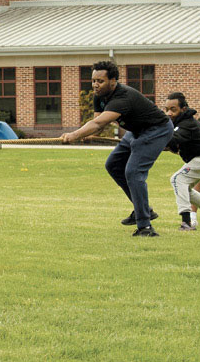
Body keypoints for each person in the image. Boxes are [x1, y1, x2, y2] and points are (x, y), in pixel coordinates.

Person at [61, 60, 173, 236]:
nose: (96, 85)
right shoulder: (100, 95)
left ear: (113, 81)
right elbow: (98, 118)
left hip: (156, 130)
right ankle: (143, 209)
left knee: (134, 172)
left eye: (100, 81)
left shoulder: (123, 97)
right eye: (93, 81)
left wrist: (74, 135)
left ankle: (145, 227)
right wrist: (87, 132)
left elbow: (98, 123)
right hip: (135, 131)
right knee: (113, 165)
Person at [164, 92, 200, 230]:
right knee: (185, 188)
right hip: (198, 159)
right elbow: (174, 144)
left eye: (173, 109)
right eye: (167, 109)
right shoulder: (180, 123)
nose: (169, 113)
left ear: (184, 109)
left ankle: (186, 222)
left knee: (177, 179)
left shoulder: (187, 123)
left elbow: (173, 139)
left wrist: (153, 138)